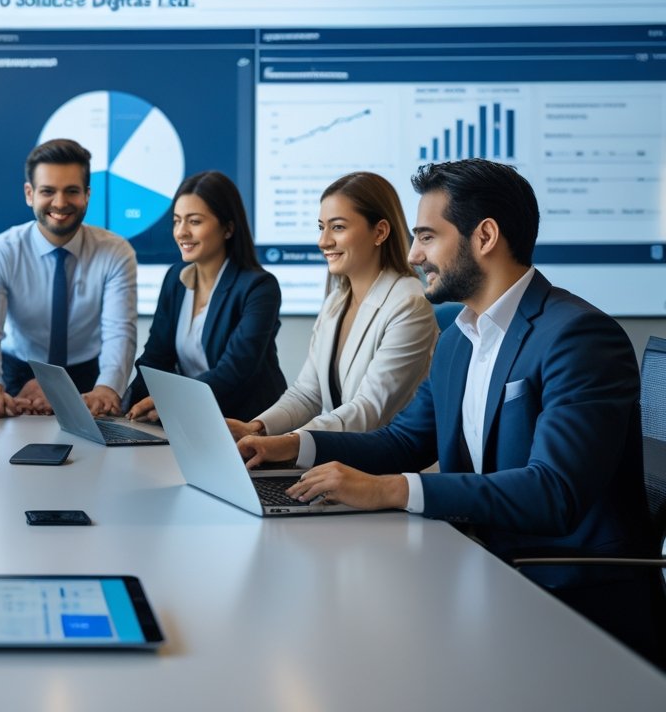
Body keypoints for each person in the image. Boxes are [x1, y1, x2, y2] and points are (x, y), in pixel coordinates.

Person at [237, 158, 660, 663]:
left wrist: (391, 489)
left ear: (484, 237)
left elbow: (553, 491)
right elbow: (402, 442)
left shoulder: (578, 337)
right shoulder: (460, 337)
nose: (414, 254)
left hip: (568, 599)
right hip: (481, 569)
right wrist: (291, 446)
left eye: (427, 237)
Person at [226, 172, 436, 439]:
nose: (323, 241)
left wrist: (287, 443)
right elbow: (306, 394)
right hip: (338, 460)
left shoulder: (409, 304)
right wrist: (256, 428)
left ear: (380, 232)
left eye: (337, 227)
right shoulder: (337, 300)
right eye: (321, 227)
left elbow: (369, 411)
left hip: (385, 471)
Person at [0, 138, 137, 418]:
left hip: (88, 377)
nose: (60, 203)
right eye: (48, 191)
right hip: (15, 373)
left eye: (72, 191)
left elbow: (119, 332)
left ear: (87, 195)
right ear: (29, 193)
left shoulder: (116, 252)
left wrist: (108, 388)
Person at [123, 171, 284, 422]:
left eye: (194, 222)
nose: (181, 232)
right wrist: (124, 404)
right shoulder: (175, 279)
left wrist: (171, 399)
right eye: (177, 221)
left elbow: (234, 371)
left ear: (228, 228)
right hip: (192, 419)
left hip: (247, 425)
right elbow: (156, 357)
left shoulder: (260, 287)